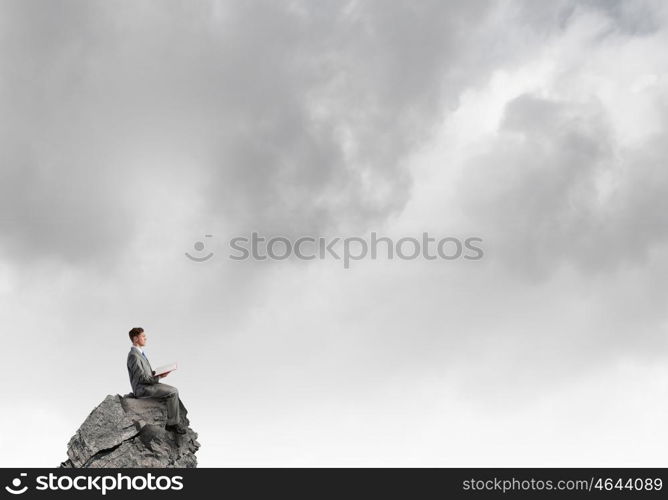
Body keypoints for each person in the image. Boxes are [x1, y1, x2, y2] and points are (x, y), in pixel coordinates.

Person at [127, 327, 186, 434]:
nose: (146, 338)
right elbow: (141, 379)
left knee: (173, 390)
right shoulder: (134, 356)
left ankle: (173, 420)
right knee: (173, 391)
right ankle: (172, 424)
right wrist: (159, 376)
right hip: (142, 389)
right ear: (135, 339)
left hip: (148, 384)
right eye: (143, 336)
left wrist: (156, 373)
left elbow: (144, 374)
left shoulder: (139, 354)